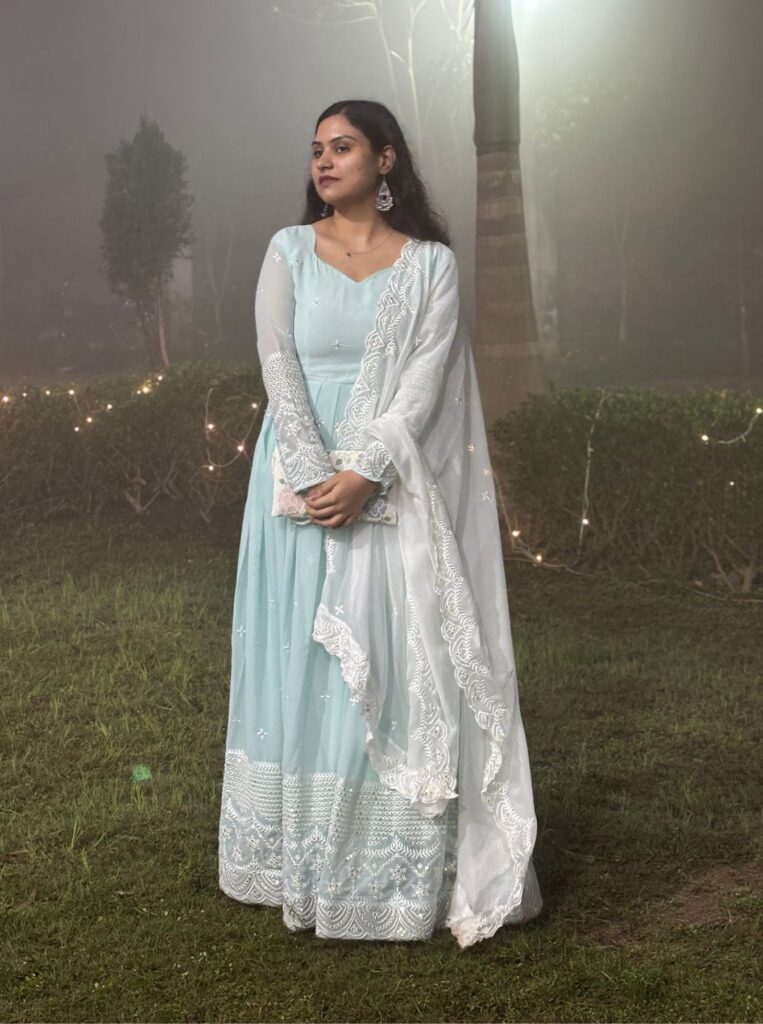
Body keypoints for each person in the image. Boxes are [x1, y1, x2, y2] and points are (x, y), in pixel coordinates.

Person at [218, 99, 543, 950]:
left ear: (386, 160)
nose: (323, 162)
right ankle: (298, 855)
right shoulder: (288, 250)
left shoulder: (429, 265)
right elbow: (277, 362)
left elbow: (425, 379)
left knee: (394, 658)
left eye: (343, 146)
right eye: (315, 149)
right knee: (298, 652)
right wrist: (317, 473)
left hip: (388, 481)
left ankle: (384, 868)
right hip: (293, 481)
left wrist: (369, 474)